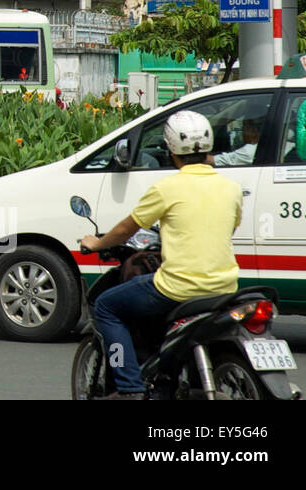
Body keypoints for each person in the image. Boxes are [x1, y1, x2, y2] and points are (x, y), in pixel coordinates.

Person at [80, 111, 243, 398]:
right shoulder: (231, 188)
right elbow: (227, 228)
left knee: (106, 306)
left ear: (171, 151)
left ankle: (129, 388)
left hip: (178, 288)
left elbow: (126, 229)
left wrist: (98, 243)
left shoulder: (167, 188)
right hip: (225, 288)